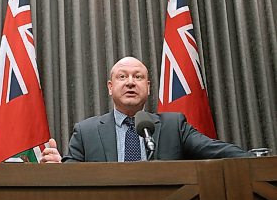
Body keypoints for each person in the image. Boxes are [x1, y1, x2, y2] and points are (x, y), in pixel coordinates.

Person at [41, 56, 254, 163]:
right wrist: (56, 169)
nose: (131, 82)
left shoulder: (174, 125)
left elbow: (217, 151)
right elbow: (72, 177)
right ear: (110, 87)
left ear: (149, 87)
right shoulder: (86, 131)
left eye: (138, 76)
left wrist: (256, 161)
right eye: (122, 77)